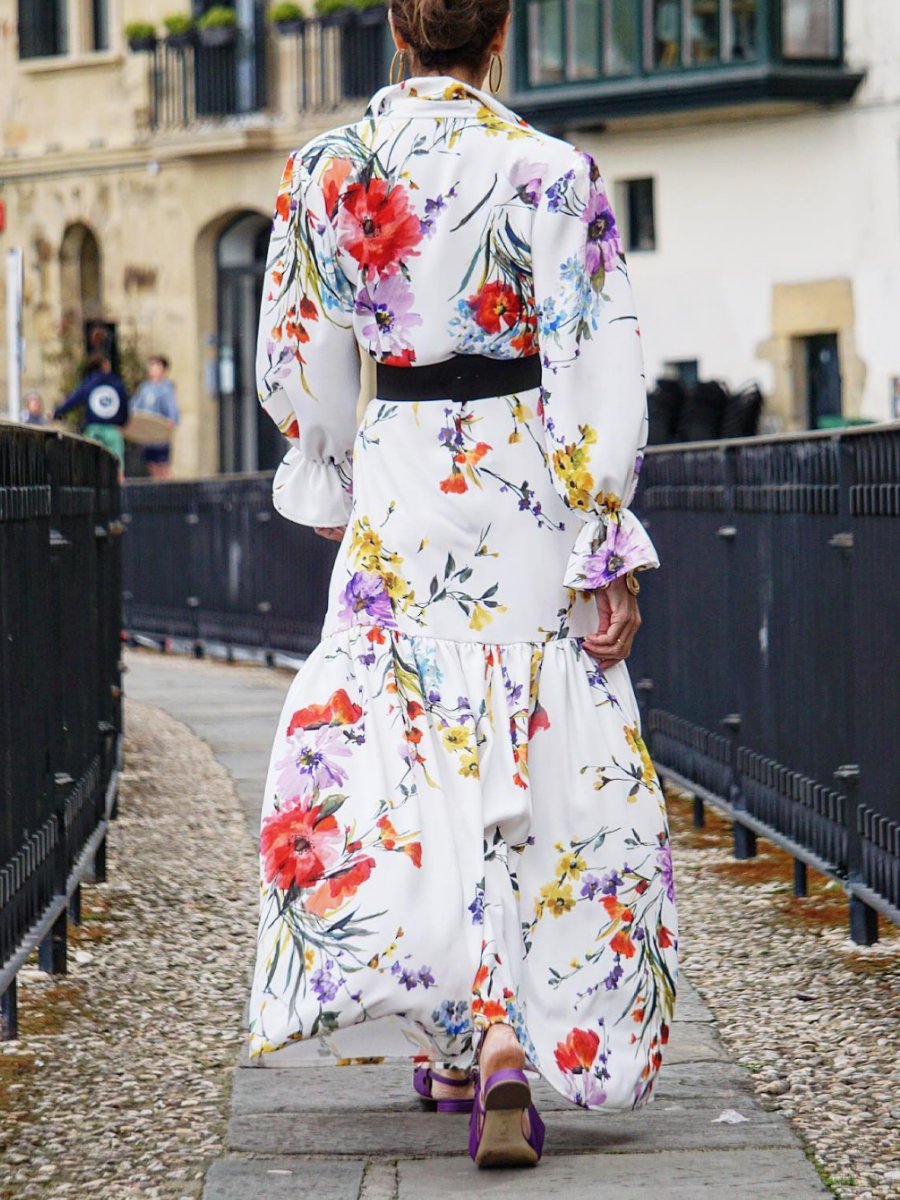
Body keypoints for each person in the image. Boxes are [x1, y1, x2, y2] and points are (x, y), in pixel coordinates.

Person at [248, 0, 678, 1169]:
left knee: (411, 744)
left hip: (404, 488)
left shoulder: (326, 172)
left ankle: (454, 1031)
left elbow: (305, 370)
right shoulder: (552, 172)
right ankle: (500, 1036)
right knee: (532, 748)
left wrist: (334, 450)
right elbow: (597, 356)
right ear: (500, 39)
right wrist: (604, 538)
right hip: (524, 487)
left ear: (397, 31)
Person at [53, 355, 129, 477]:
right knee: (118, 464)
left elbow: (73, 400)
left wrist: (57, 413)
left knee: (92, 464)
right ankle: (119, 487)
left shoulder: (88, 383)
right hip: (112, 429)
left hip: (93, 428)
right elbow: (124, 405)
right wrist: (123, 423)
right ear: (105, 365)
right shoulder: (117, 383)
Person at [130, 355, 179, 479]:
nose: (152, 369)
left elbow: (172, 408)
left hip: (160, 434)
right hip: (148, 435)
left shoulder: (166, 388)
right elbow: (135, 406)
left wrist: (172, 420)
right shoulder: (145, 388)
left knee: (163, 465)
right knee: (152, 465)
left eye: (156, 366)